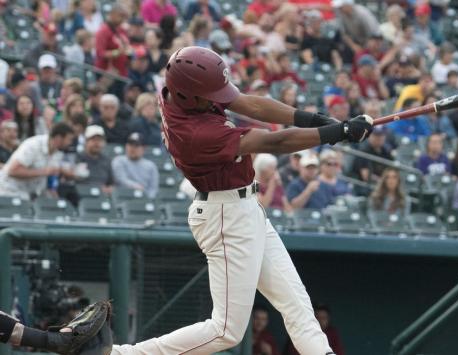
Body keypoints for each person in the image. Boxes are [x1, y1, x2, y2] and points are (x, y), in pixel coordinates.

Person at [111, 46, 372, 354]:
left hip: (244, 207)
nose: (220, 98)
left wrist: (315, 119)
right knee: (225, 331)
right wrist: (338, 131)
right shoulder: (195, 133)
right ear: (188, 95)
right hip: (225, 216)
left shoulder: (180, 89)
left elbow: (251, 104)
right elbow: (274, 141)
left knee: (297, 304)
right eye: (212, 94)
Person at [0, 122, 75, 200]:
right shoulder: (33, 145)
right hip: (7, 193)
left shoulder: (58, 153)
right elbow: (12, 171)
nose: (70, 143)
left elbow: (49, 182)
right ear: (58, 138)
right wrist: (44, 171)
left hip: (28, 195)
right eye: (69, 139)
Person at [111, 133, 159, 198]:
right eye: (130, 144)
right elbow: (121, 180)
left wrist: (148, 200)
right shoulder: (118, 161)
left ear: (143, 148)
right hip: (124, 197)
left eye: (136, 145)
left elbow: (153, 189)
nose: (132, 148)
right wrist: (136, 187)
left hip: (144, 199)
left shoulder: (151, 166)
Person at [76, 125, 114, 196]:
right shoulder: (78, 158)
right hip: (82, 195)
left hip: (102, 197)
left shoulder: (107, 160)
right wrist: (98, 188)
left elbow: (110, 183)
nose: (96, 143)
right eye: (93, 139)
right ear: (86, 141)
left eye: (99, 140)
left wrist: (109, 189)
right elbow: (77, 181)